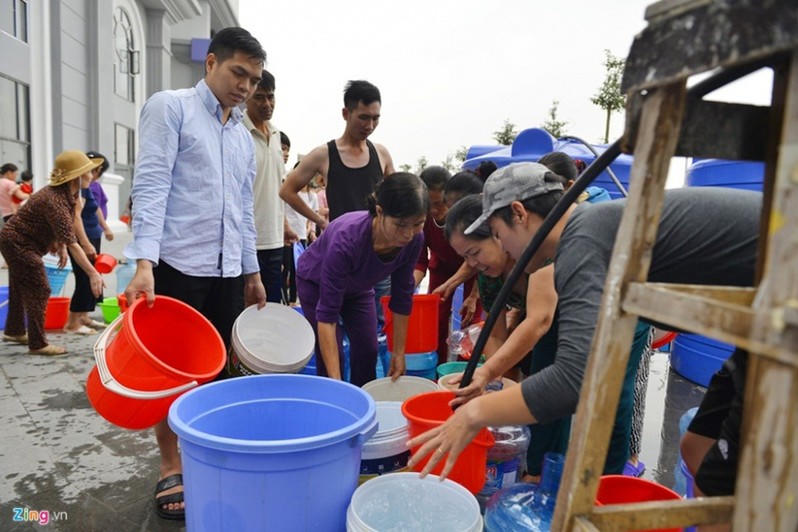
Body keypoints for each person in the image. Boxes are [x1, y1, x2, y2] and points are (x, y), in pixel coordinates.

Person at [407, 162, 759, 490]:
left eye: (498, 234)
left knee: (718, 477)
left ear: (519, 213)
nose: (502, 247)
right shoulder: (590, 230)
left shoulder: (582, 239)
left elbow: (572, 380)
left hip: (782, 312)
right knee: (696, 445)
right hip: (759, 327)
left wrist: (474, 414)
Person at [123, 27, 267, 521]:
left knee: (218, 370)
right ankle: (170, 465)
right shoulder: (172, 107)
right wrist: (144, 265)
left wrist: (252, 272)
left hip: (227, 272)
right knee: (172, 373)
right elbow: (151, 185)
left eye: (253, 78)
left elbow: (244, 210)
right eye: (237, 73)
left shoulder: (242, 136)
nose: (245, 86)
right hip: (176, 267)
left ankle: (206, 456)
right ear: (210, 64)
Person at [280, 79, 395, 334]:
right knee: (335, 325)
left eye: (376, 118)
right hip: (342, 255)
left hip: (378, 254)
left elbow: (397, 199)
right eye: (363, 117)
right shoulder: (325, 154)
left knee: (375, 331)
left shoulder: (382, 154)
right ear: (346, 113)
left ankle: (369, 374)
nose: (370, 125)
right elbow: (287, 190)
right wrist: (321, 222)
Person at [296, 172, 426, 386]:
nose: (408, 234)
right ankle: (333, 400)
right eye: (401, 225)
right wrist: (336, 385)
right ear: (379, 211)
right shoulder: (347, 239)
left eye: (418, 224)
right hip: (316, 283)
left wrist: (399, 353)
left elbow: (402, 297)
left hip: (358, 288)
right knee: (331, 352)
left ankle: (364, 400)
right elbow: (327, 316)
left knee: (368, 348)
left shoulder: (414, 239)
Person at [0, 150, 104, 355]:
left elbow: (61, 229)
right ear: (75, 176)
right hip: (18, 243)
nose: (91, 176)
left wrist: (61, 247)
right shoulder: (54, 199)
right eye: (88, 173)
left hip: (18, 241)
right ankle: (38, 343)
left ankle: (14, 331)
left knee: (19, 287)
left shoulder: (69, 195)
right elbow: (73, 242)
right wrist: (92, 272)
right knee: (40, 288)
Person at [414, 166, 482, 364]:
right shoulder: (423, 220)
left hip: (476, 269)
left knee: (471, 318)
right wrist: (409, 287)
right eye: (430, 205)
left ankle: (464, 370)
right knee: (435, 317)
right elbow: (420, 261)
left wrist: (473, 296)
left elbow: (480, 260)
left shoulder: (467, 217)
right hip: (442, 268)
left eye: (442, 204)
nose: (436, 211)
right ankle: (437, 366)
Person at [244, 69, 286, 303]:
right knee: (246, 308)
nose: (267, 103)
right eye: (259, 97)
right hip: (248, 242)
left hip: (275, 239)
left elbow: (276, 185)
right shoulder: (238, 131)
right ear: (247, 96)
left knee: (270, 307)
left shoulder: (277, 134)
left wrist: (285, 225)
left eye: (271, 96)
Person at [64, 155, 114, 334]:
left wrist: (105, 228)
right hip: (82, 238)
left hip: (92, 235)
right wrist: (85, 243)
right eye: (90, 170)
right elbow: (75, 218)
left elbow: (96, 209)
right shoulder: (78, 190)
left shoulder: (87, 188)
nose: (93, 174)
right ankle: (72, 323)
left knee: (90, 277)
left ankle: (83, 316)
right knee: (85, 278)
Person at [283, 181, 318, 305]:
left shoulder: (312, 196)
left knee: (298, 269)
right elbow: (283, 213)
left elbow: (313, 215)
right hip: (288, 236)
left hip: (302, 235)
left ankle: (294, 299)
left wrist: (309, 230)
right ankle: (287, 299)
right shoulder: (289, 193)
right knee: (287, 268)